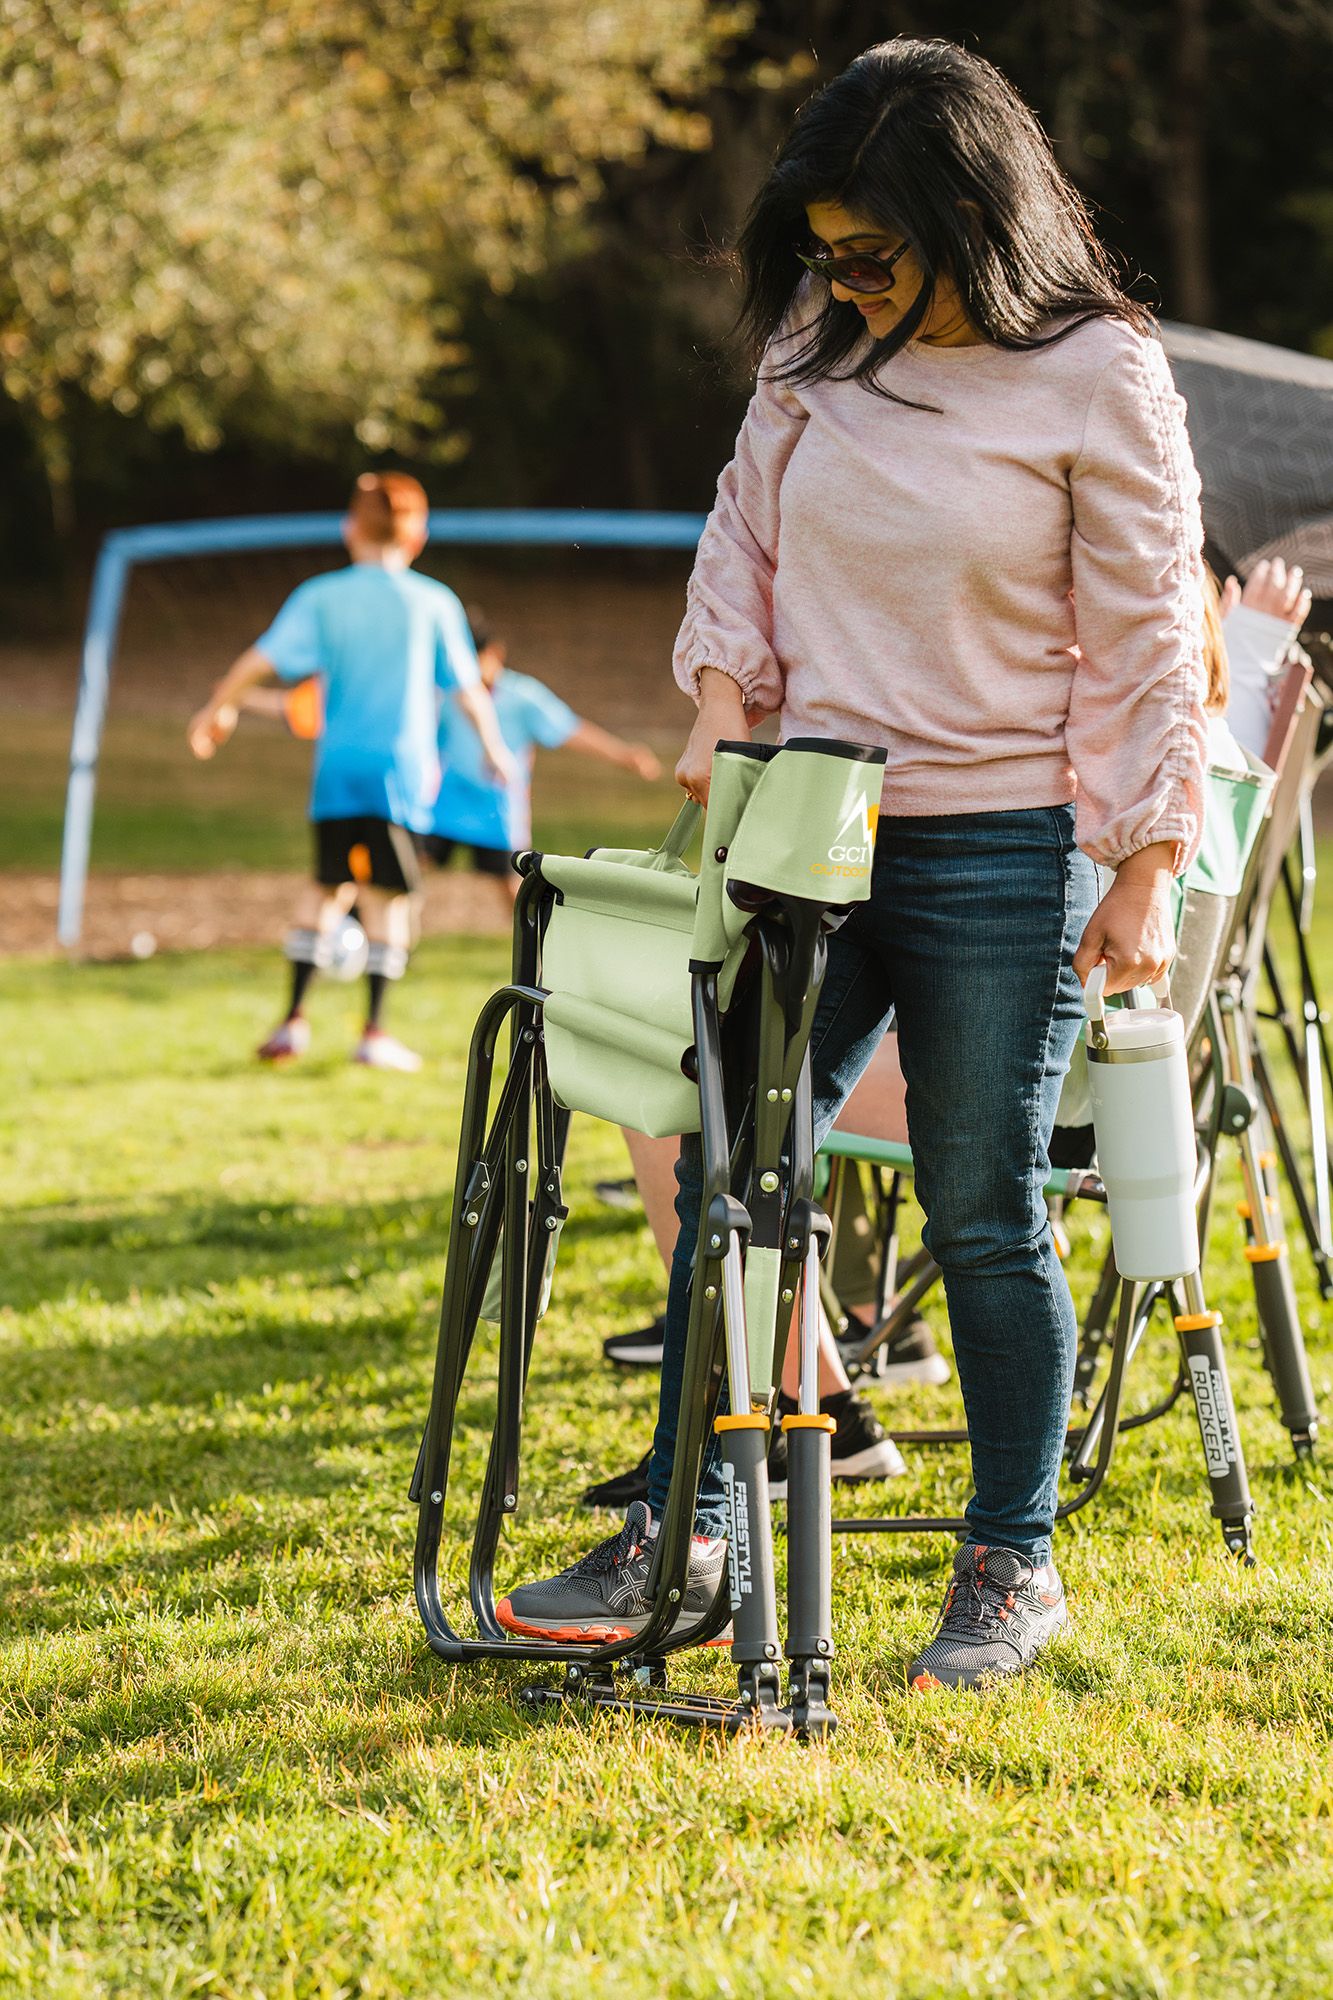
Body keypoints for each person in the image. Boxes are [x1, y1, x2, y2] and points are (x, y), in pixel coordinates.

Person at [495, 38, 1209, 1690]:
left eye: (877, 254)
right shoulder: (816, 346)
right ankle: (696, 1524)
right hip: (798, 829)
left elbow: (1149, 633)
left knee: (977, 1208)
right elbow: (743, 533)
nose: (845, 283)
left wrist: (1143, 862)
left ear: (978, 217)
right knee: (739, 1173)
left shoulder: (1094, 370)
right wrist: (726, 709)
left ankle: (1007, 1562)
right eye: (826, 255)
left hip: (998, 851)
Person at [187, 473, 513, 1070]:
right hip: (399, 777)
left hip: (336, 774)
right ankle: (374, 1032)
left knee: (325, 888)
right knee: (387, 899)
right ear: (418, 535)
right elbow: (468, 690)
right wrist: (494, 748)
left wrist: (216, 709)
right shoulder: (434, 601)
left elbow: (260, 659)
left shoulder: (321, 595)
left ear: (349, 529)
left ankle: (291, 1022)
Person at [422, 609, 663, 897]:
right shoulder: (447, 693)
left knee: (514, 889)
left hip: (497, 808)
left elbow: (569, 730)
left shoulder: (522, 696)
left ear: (494, 654)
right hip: (447, 803)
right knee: (409, 868)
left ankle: (531, 940)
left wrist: (624, 755)